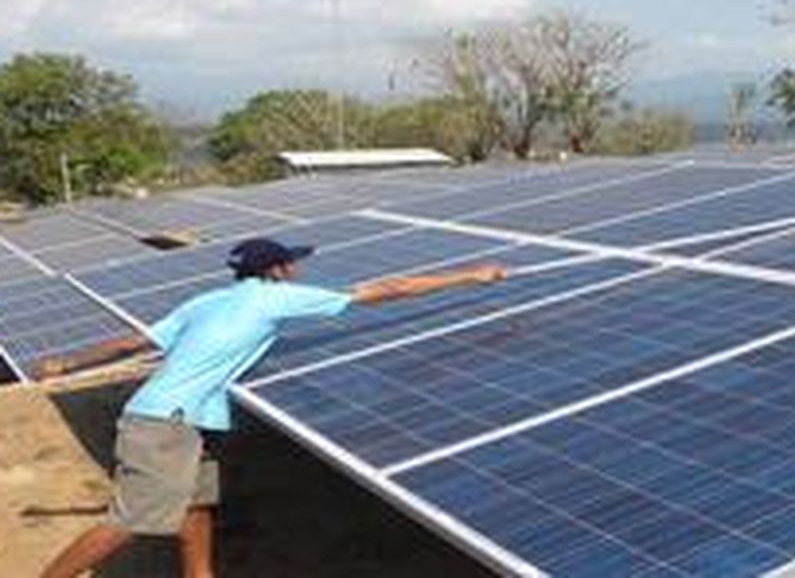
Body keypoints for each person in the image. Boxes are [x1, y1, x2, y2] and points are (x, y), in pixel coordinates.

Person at [31, 236, 506, 578]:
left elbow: (132, 342)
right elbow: (386, 290)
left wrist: (69, 361)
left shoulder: (207, 301)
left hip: (179, 417)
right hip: (168, 423)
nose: (297, 270)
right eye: (291, 264)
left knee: (194, 509)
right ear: (276, 271)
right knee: (134, 520)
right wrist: (468, 276)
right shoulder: (274, 298)